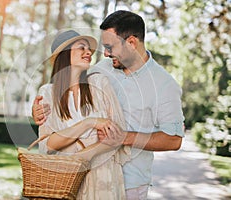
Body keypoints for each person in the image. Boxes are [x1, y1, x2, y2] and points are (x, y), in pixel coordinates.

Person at [32, 11, 185, 200]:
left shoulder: (165, 85)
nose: (104, 53)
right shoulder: (100, 71)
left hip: (131, 183)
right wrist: (38, 111)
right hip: (78, 182)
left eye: (109, 47)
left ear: (131, 42)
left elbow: (174, 140)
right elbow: (65, 90)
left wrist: (123, 138)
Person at [36, 30, 129, 199]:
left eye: (89, 49)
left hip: (103, 178)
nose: (88, 52)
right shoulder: (47, 93)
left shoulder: (100, 83)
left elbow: (118, 135)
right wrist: (89, 123)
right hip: (66, 183)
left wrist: (85, 155)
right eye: (81, 48)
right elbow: (48, 145)